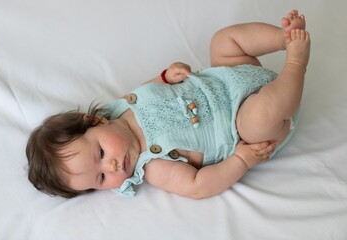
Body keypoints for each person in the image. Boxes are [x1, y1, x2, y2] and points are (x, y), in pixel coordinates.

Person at [26, 10, 310, 199]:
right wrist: (240, 161)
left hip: (231, 76)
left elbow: (150, 88)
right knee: (259, 117)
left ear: (95, 122)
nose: (112, 166)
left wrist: (165, 76)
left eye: (100, 152)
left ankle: (283, 38)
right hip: (245, 124)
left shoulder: (124, 106)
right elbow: (197, 186)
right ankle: (296, 63)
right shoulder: (154, 166)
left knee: (224, 41)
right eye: (101, 178)